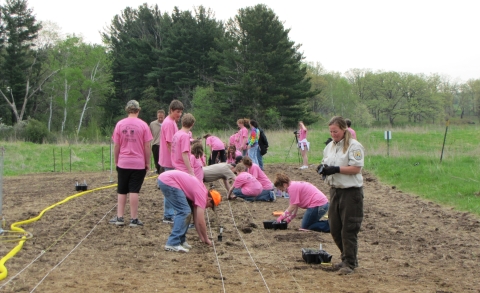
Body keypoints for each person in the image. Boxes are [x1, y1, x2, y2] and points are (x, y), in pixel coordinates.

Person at [317, 116, 365, 275]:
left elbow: (356, 168)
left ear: (344, 129)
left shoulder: (354, 146)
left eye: (335, 131)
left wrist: (336, 169)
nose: (333, 134)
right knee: (335, 227)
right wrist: (323, 168)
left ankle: (350, 263)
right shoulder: (330, 146)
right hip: (335, 190)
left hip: (351, 192)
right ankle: (346, 257)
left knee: (349, 228)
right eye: (331, 131)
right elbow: (326, 162)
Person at [110, 100, 152, 227]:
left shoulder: (120, 124)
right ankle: (134, 219)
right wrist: (147, 162)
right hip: (138, 163)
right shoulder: (144, 125)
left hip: (123, 161)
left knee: (122, 189)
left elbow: (116, 145)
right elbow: (147, 146)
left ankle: (119, 217)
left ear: (127, 110)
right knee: (134, 190)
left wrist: (117, 160)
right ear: (138, 110)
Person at [158, 170, 221, 252]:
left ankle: (180, 240)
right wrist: (207, 239)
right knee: (184, 211)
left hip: (166, 179)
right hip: (168, 181)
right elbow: (201, 222)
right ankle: (173, 243)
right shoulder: (202, 196)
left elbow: (196, 219)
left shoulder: (201, 193)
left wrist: (202, 238)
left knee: (187, 212)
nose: (207, 208)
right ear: (209, 199)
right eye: (210, 206)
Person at [160, 99, 184, 224]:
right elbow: (170, 144)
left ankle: (170, 213)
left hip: (170, 160)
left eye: (180, 112)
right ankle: (168, 215)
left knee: (172, 187)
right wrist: (176, 160)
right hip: (170, 161)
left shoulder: (172, 122)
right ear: (171, 111)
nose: (179, 114)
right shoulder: (169, 123)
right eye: (177, 112)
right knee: (170, 188)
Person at [149, 109, 165, 174]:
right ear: (157, 116)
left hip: (164, 145)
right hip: (156, 145)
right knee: (157, 160)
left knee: (164, 161)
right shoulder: (152, 124)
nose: (160, 119)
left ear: (164, 116)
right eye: (159, 117)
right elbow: (149, 134)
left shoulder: (166, 123)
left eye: (162, 117)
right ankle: (158, 172)